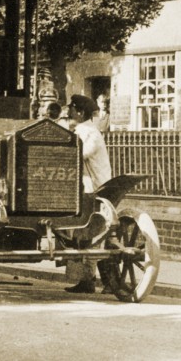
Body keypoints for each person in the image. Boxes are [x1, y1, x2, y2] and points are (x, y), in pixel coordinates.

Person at [64, 95, 113, 294]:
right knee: (84, 236)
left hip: (96, 188)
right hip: (85, 187)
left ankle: (110, 282)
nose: (69, 113)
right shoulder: (81, 131)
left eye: (72, 109)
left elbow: (79, 154)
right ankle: (87, 281)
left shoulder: (89, 133)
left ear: (81, 112)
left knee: (97, 237)